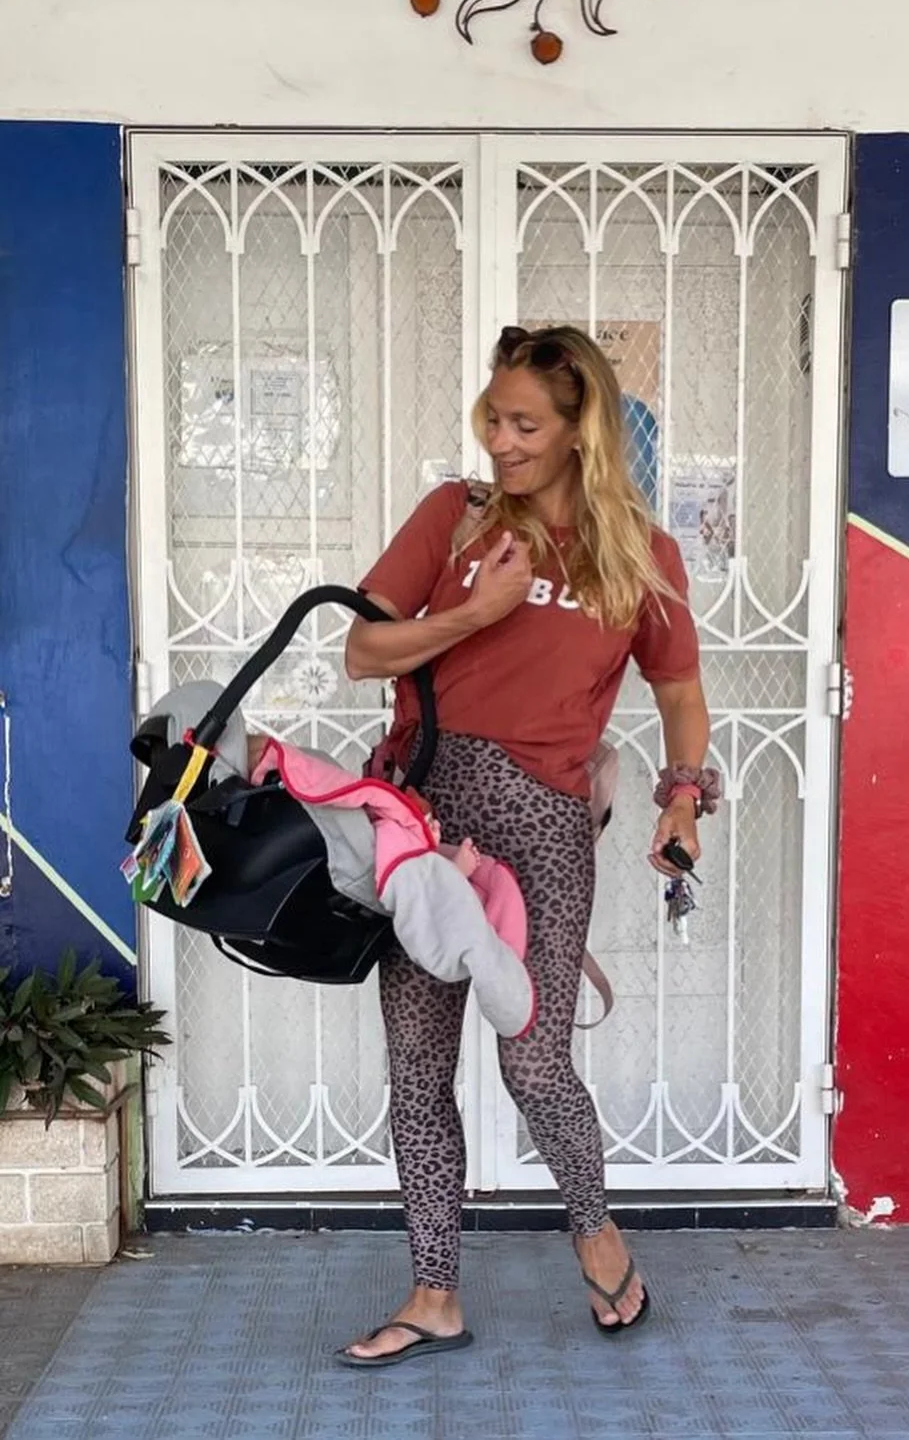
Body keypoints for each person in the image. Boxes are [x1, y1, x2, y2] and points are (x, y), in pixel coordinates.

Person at [338, 324, 715, 1368]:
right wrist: (479, 610)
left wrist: (680, 799)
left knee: (532, 1058)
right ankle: (431, 1294)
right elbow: (361, 648)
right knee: (416, 1064)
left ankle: (596, 1237)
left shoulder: (639, 552)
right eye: (492, 419)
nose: (500, 442)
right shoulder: (452, 520)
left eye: (524, 424)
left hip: (542, 826)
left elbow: (678, 693)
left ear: (579, 428)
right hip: (421, 819)